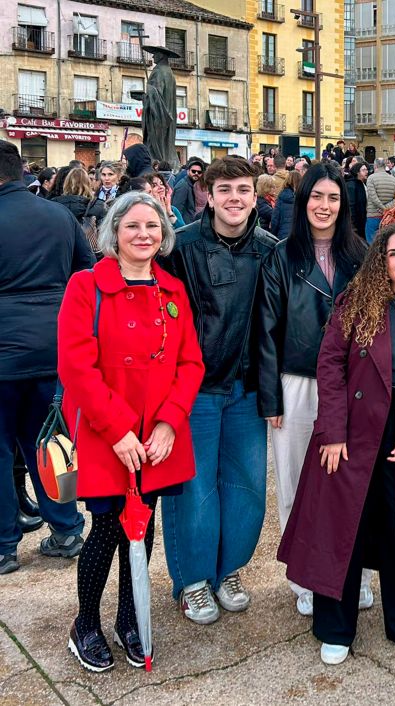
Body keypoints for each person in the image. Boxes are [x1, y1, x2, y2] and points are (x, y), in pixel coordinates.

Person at [278, 221, 395, 666]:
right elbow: (330, 365)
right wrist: (332, 431)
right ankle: (335, 626)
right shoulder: (357, 303)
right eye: (392, 253)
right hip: (352, 436)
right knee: (342, 529)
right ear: (381, 262)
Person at [58, 191, 204, 672]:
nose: (144, 234)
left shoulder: (173, 290)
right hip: (108, 436)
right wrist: (118, 430)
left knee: (142, 529)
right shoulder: (87, 286)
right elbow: (75, 366)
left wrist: (169, 422)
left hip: (156, 438)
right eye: (133, 226)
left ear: (164, 234)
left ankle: (129, 617)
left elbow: (190, 363)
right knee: (106, 529)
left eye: (153, 226)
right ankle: (85, 624)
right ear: (114, 233)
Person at [160, 156, 277, 623]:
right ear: (208, 195)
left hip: (247, 388)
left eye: (243, 190)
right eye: (224, 189)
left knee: (247, 488)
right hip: (196, 389)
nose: (234, 198)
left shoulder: (269, 249)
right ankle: (192, 578)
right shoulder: (180, 247)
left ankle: (228, 569)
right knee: (194, 490)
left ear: (254, 196)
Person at [257, 163, 371, 616]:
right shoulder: (281, 257)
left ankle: (353, 573)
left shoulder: (361, 255)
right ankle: (304, 577)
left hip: (350, 384)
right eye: (316, 197)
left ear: (343, 205)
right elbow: (266, 331)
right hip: (297, 382)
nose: (324, 206)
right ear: (303, 201)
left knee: (350, 484)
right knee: (295, 483)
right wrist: (271, 397)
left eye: (333, 198)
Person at [0, 141, 91, 576]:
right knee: (54, 441)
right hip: (54, 347)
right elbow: (85, 273)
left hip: (5, 350)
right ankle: (67, 528)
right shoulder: (58, 215)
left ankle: (4, 545)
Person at [365, 157, 395, 242]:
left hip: (373, 214)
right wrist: (386, 208)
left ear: (375, 166)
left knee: (371, 242)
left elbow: (372, 196)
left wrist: (382, 208)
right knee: (386, 241)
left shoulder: (371, 178)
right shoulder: (394, 179)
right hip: (388, 216)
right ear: (385, 166)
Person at [270, 169, 301, 240]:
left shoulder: (282, 196)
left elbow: (275, 219)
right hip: (300, 236)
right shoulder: (304, 197)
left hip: (283, 236)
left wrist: (273, 234)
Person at [172, 158, 205, 223]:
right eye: (193, 171)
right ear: (188, 171)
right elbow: (177, 209)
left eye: (199, 172)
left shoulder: (191, 184)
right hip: (184, 224)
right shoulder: (183, 186)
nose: (196, 173)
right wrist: (180, 225)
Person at [346, 162, 369, 241]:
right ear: (357, 172)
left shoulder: (362, 183)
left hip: (362, 219)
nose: (366, 172)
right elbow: (351, 205)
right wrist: (353, 224)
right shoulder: (351, 185)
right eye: (363, 170)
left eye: (366, 169)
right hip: (355, 222)